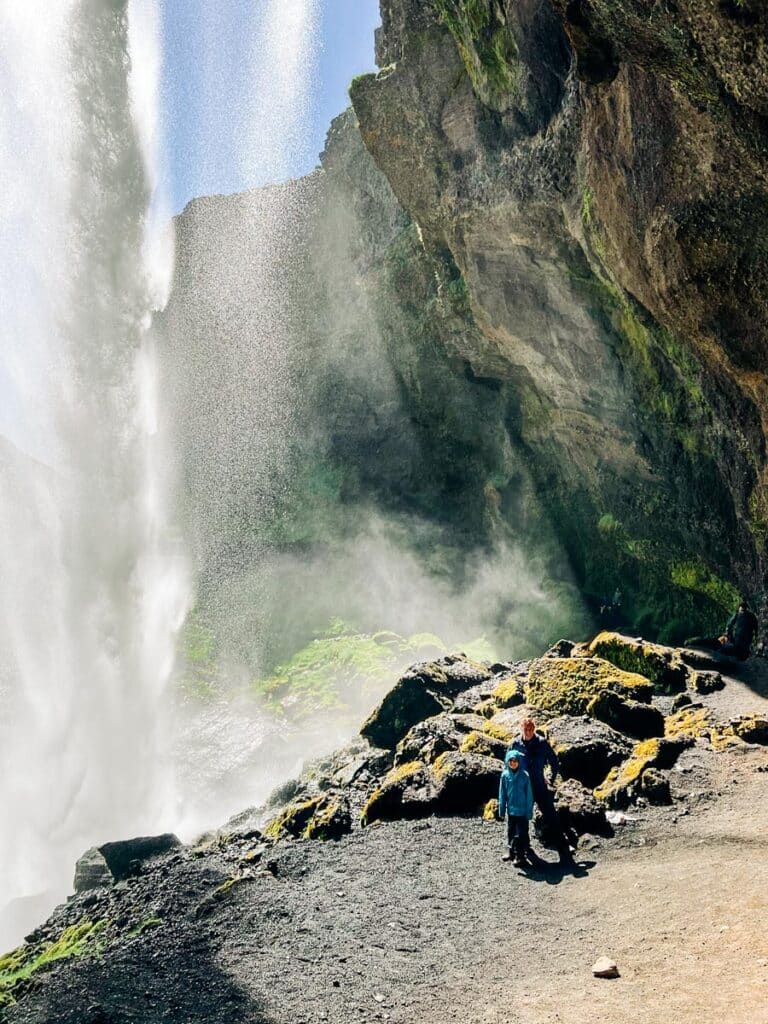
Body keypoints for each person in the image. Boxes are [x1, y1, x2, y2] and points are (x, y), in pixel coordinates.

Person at [514, 717, 574, 864]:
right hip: (523, 787)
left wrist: (550, 777)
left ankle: (564, 849)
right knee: (520, 820)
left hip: (539, 785)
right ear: (521, 729)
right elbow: (509, 763)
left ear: (534, 729)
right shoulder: (515, 744)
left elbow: (554, 761)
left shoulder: (541, 743)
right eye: (525, 729)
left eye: (530, 729)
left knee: (551, 816)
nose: (528, 732)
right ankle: (521, 852)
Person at [686, 600, 758, 661]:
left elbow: (730, 625)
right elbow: (755, 626)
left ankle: (692, 642)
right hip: (742, 638)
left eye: (742, 610)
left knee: (736, 648)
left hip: (740, 637)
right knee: (739, 648)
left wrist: (728, 634)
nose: (742, 611)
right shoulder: (749, 616)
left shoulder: (741, 615)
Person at [498, 746, 534, 866]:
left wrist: (529, 812)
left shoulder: (525, 776)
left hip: (522, 811)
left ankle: (521, 855)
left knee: (522, 832)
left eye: (515, 761)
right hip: (511, 811)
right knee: (511, 831)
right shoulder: (505, 776)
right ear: (508, 762)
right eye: (511, 761)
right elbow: (502, 794)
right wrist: (501, 810)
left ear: (519, 762)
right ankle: (510, 851)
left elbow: (529, 795)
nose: (513, 764)